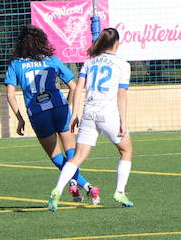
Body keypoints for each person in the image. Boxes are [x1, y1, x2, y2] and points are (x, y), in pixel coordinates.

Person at [3, 25, 96, 204]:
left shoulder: (16, 65)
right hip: (60, 108)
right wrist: (68, 106)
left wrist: (20, 118)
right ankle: (78, 184)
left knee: (56, 156)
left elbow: (10, 94)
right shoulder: (52, 60)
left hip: (38, 114)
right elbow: (74, 86)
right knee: (72, 154)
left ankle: (86, 187)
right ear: (42, 42)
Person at [47, 27, 134, 211]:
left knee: (77, 157)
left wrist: (74, 113)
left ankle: (57, 190)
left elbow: (78, 88)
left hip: (88, 113)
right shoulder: (122, 64)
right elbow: (122, 94)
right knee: (126, 151)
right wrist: (123, 122)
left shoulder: (90, 62)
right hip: (107, 114)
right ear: (117, 44)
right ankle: (120, 191)